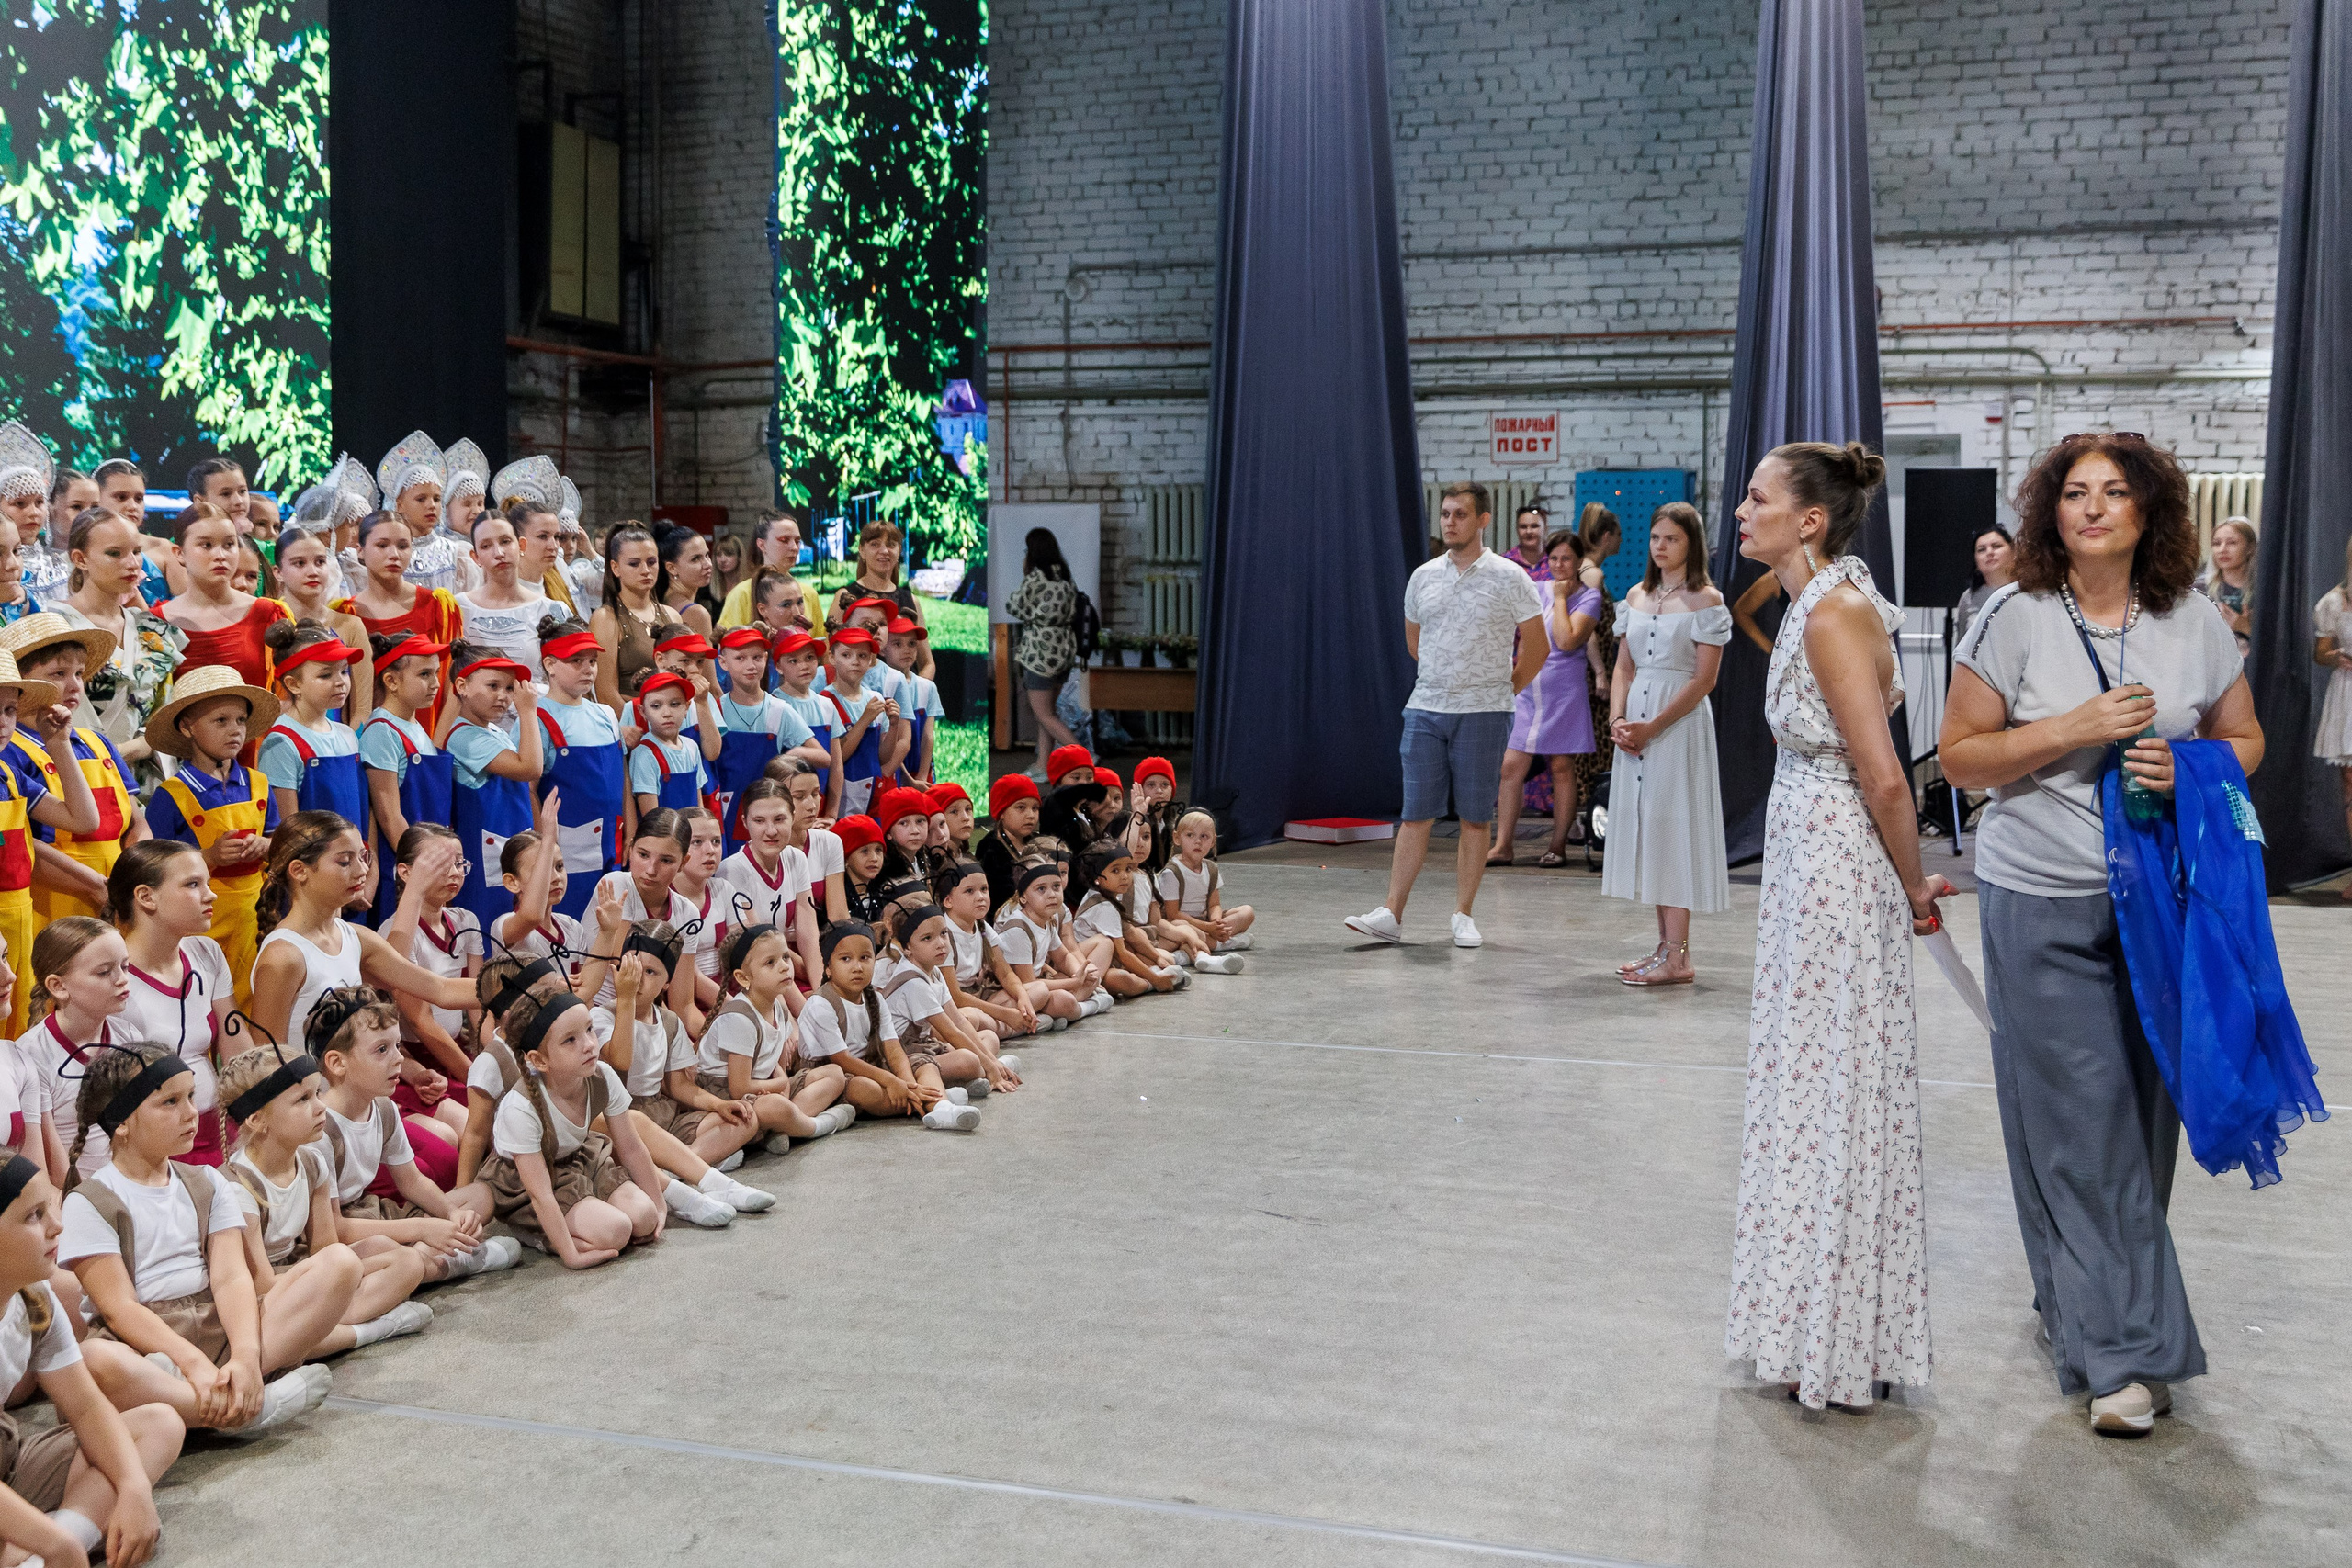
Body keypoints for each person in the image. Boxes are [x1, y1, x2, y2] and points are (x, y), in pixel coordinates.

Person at [1939, 430, 2260, 1436]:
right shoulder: (2014, 615)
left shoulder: (2195, 620)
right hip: (2040, 898)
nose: (2091, 507)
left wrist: (2192, 764)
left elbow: (2245, 738)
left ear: (2148, 510)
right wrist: (2070, 730)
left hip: (2161, 903)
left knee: (2145, 1122)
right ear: (2051, 512)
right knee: (2082, 1123)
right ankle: (2127, 1355)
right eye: (2074, 492)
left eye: (2114, 492)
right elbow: (1960, 756)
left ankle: (2080, 1308)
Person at [1721, 441, 1947, 1412]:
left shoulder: (1833, 612)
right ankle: (1809, 1327)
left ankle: (1841, 1338)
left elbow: (1884, 775)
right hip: (1809, 854)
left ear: (1809, 519)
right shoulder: (1814, 601)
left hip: (1836, 867)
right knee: (1813, 1090)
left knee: (1835, 1090)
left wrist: (1915, 886)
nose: (1741, 511)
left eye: (1757, 498)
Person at [57, 1043, 347, 1435]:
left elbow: (230, 1278)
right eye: (170, 1102)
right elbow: (120, 1309)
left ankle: (217, 1390)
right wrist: (192, 1362)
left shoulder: (209, 1181)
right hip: (144, 1342)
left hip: (216, 1324)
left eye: (191, 1097)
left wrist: (245, 1355)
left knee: (339, 1265)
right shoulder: (89, 1201)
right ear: (121, 1122)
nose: (191, 1113)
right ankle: (247, 1409)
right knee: (95, 1359)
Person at [1347, 482, 1545, 951]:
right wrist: (1446, 677)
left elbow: (1538, 648)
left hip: (1484, 711)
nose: (1450, 521)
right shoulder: (1422, 577)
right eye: (1445, 513)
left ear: (1483, 520)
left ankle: (1464, 914)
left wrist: (1502, 690)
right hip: (1426, 708)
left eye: (1460, 514)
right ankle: (1391, 913)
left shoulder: (1510, 577)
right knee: (1415, 813)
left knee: (1475, 816)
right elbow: (1415, 642)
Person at [0, 1151, 177, 1565]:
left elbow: (86, 1407)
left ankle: (33, 1553)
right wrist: (57, 1545)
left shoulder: (35, 1298)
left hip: (7, 1459)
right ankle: (51, 1542)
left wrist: (134, 1487)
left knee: (160, 1425)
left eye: (50, 1208)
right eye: (34, 1216)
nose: (57, 1226)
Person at [1600, 502, 1731, 985]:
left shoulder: (1706, 600)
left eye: (1672, 539)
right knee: (1649, 829)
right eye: (1656, 537)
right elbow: (1624, 667)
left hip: (1677, 725)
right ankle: (1664, 948)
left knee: (1673, 829)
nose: (1660, 546)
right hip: (1636, 724)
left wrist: (1652, 726)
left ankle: (1679, 957)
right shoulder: (1636, 595)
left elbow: (1704, 680)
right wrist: (1618, 719)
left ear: (1690, 544)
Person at [140, 668, 278, 1006]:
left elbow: (283, 844)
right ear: (187, 727)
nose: (235, 730)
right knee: (200, 997)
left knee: (252, 994)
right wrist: (209, 857)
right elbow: (152, 868)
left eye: (241, 720)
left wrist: (267, 846)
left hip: (255, 917)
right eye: (221, 721)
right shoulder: (172, 794)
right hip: (196, 921)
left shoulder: (259, 783)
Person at [108, 843, 239, 1168]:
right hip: (151, 1148)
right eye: (193, 884)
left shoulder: (207, 952)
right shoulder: (111, 976)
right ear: (146, 897)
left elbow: (238, 1053)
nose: (211, 895)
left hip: (221, 1132)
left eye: (207, 883)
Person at [1491, 530, 1604, 867]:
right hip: (1530, 690)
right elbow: (1525, 639)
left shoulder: (1589, 597)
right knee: (1511, 765)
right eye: (1553, 558)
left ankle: (1557, 846)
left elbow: (1566, 640)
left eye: (1566, 558)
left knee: (1560, 766)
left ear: (1579, 561)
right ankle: (1503, 845)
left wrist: (1559, 598)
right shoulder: (1535, 589)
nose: (1558, 565)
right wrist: (1516, 679)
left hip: (1564, 693)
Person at [51, 511, 184, 780]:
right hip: (73, 779)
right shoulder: (52, 627)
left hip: (147, 784)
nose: (132, 563)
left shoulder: (151, 629)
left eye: (137, 551)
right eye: (115, 553)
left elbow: (166, 714)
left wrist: (137, 747)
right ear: (80, 559)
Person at [532, 615, 628, 919]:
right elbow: (528, 789)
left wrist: (632, 829)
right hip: (567, 845)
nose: (589, 669)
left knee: (611, 918)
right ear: (550, 664)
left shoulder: (606, 714)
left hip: (613, 839)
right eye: (577, 661)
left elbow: (623, 776)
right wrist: (544, 845)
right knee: (569, 921)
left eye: (593, 661)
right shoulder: (537, 718)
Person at [334, 510, 462, 729]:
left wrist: (438, 743)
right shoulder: (344, 615)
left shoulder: (439, 607)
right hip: (365, 735)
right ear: (360, 550)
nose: (394, 554)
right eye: (382, 545)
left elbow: (453, 686)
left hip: (428, 735)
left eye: (403, 546)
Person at [358, 631, 454, 924]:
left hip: (431, 864)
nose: (435, 683)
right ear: (391, 681)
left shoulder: (416, 728)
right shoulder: (381, 731)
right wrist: (424, 866)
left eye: (436, 673)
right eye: (424, 674)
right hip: (404, 869)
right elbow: (388, 815)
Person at [257, 620, 368, 831]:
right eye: (325, 675)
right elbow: (287, 829)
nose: (340, 682)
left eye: (344, 671)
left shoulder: (347, 735)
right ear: (293, 684)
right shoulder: (281, 743)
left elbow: (363, 811)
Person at [1002, 529, 1083, 776]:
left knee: (1044, 714)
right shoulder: (1065, 579)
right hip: (1063, 652)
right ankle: (1043, 766)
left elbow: (1013, 605)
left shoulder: (1037, 579)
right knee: (1047, 713)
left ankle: (1084, 759)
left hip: (1040, 655)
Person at [271, 527, 373, 717]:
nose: (313, 572)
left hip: (338, 734)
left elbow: (362, 707)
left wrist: (351, 736)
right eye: (299, 563)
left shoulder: (349, 625)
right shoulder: (268, 621)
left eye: (320, 562)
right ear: (278, 572)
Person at [593, 521, 684, 713]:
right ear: (615, 568)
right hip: (631, 724)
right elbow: (606, 694)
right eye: (634, 564)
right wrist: (644, 723)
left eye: (651, 562)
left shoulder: (673, 616)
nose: (645, 570)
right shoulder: (605, 619)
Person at [456, 511, 549, 688]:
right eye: (486, 546)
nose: (498, 553)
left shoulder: (549, 610)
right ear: (475, 557)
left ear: (521, 545)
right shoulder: (457, 608)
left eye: (505, 541)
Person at [2312, 536, 2352, 891]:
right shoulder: (2334, 602)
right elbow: (2320, 653)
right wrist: (2336, 656)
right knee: (2350, 784)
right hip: (2348, 694)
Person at [716, 511, 825, 636]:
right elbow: (727, 643)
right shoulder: (742, 594)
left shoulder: (809, 594)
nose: (794, 547)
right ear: (762, 545)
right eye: (784, 540)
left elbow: (822, 643)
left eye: (797, 541)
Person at [1951, 523, 2018, 641]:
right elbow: (1962, 647)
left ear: (2013, 552)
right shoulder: (1969, 598)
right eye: (1981, 550)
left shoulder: (2029, 591)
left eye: (1996, 546)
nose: (1989, 552)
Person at [2200, 515, 2256, 656]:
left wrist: (2246, 628)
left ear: (2250, 548)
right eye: (2216, 543)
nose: (2222, 549)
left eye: (2232, 543)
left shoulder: (2264, 592)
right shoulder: (2199, 590)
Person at [659, 527, 717, 645]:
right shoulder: (697, 613)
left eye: (707, 555)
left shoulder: (664, 600)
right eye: (696, 559)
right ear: (672, 568)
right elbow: (707, 658)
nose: (708, 564)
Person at [1504, 503, 1550, 575]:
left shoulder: (1557, 561)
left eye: (1534, 526)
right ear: (1517, 530)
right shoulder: (1505, 562)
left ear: (1545, 529)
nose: (1528, 531)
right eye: (1523, 527)